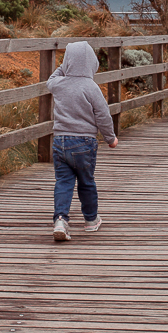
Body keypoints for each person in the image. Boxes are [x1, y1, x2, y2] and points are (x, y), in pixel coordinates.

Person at [46, 41, 119, 242]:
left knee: (63, 182)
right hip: (84, 144)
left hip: (60, 141)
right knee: (86, 182)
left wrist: (65, 66)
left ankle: (60, 220)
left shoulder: (59, 84)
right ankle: (90, 220)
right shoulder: (91, 87)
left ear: (67, 62)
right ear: (91, 63)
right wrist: (110, 138)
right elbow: (103, 116)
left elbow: (51, 79)